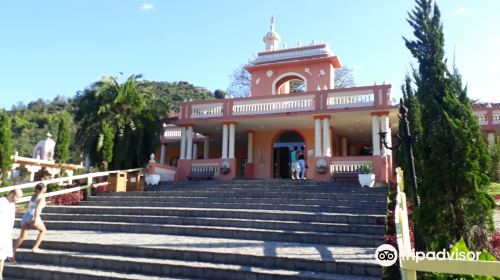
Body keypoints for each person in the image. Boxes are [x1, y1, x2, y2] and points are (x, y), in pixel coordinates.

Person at [13, 183, 47, 257]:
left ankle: (12, 252)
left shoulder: (33, 196)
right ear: (43, 189)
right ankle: (35, 247)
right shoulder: (42, 197)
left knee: (22, 236)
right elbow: (37, 209)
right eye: (45, 187)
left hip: (26, 216)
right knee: (43, 231)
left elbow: (31, 206)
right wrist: (35, 219)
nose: (46, 188)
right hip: (33, 215)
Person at [0, 188, 23, 279]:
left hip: (6, 234)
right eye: (17, 197)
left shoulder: (12, 205)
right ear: (12, 194)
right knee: (1, 256)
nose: (18, 200)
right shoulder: (1, 202)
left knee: (2, 256)